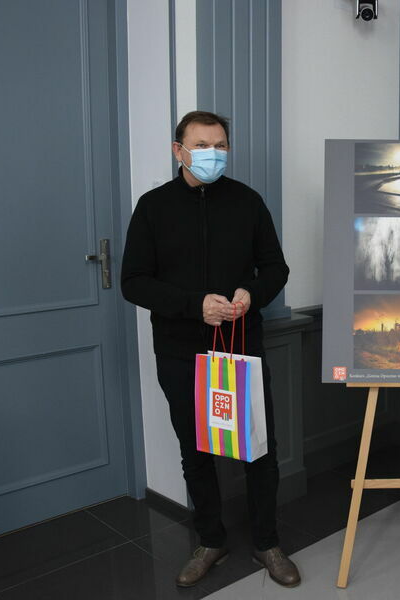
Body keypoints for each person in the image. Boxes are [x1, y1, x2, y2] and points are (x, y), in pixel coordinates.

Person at [121, 111, 299, 588]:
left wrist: (250, 294)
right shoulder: (153, 207)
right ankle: (210, 540)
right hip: (180, 352)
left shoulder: (247, 201)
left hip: (241, 348)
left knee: (258, 448)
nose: (212, 154)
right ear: (178, 150)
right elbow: (133, 281)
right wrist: (193, 305)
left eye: (220, 145)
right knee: (195, 450)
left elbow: (275, 268)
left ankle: (267, 542)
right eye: (201, 145)